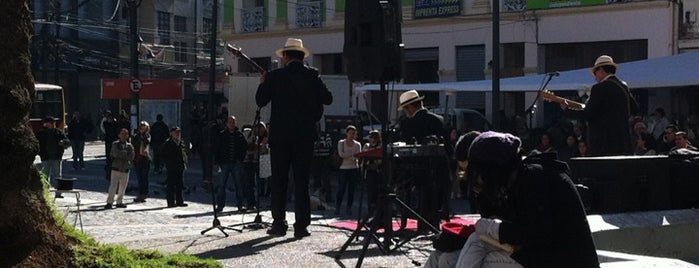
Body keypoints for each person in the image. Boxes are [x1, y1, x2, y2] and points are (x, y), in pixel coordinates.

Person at [454, 131, 599, 268]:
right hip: (544, 255)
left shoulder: (536, 178)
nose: (475, 178)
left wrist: (494, 228)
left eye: (477, 172)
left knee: (481, 250)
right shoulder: (519, 177)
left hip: (566, 261)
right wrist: (483, 195)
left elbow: (537, 234)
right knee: (446, 258)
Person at [256, 37, 333, 238]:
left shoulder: (275, 76)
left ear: (286, 56)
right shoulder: (313, 75)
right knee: (302, 182)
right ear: (301, 56)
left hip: (280, 137)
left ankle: (279, 224)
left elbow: (260, 100)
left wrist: (263, 83)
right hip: (305, 137)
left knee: (279, 182)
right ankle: (301, 226)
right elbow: (328, 98)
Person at [559, 55, 637, 156]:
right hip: (623, 142)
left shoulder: (599, 88)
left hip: (604, 144)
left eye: (595, 74)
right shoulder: (623, 87)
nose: (595, 78)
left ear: (600, 70)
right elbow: (635, 108)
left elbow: (588, 113)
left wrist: (567, 110)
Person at [396, 89, 448, 230]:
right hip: (439, 169)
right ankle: (433, 221)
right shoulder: (439, 119)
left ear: (410, 107)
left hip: (416, 169)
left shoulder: (408, 123)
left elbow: (405, 146)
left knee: (399, 186)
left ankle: (410, 217)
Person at [213, 116, 248, 212]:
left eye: (233, 122)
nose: (231, 124)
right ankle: (220, 205)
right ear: (227, 123)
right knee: (222, 185)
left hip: (235, 163)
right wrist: (216, 161)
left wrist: (240, 159)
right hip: (224, 163)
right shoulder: (222, 135)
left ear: (235, 123)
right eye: (229, 122)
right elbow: (217, 149)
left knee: (238, 185)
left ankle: (240, 205)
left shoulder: (239, 135)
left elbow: (244, 148)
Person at [35, 116, 70, 198]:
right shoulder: (41, 133)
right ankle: (45, 192)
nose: (53, 124)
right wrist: (40, 153)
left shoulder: (58, 132)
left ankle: (58, 192)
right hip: (45, 157)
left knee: (57, 175)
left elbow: (67, 141)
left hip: (56, 157)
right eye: (51, 123)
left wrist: (63, 142)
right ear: (46, 124)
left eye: (53, 123)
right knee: (45, 175)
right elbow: (37, 143)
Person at [104, 128, 135, 209]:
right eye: (122, 134)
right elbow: (115, 153)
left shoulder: (130, 146)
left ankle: (119, 201)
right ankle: (109, 202)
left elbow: (131, 156)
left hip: (125, 169)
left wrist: (123, 155)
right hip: (116, 168)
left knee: (123, 187)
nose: (124, 136)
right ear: (119, 135)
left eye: (126, 134)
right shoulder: (115, 144)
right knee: (113, 186)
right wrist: (124, 154)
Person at [335, 125, 362, 216]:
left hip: (353, 169)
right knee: (341, 189)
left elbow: (358, 156)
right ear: (346, 133)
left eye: (353, 133)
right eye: (350, 133)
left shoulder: (358, 144)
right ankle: (337, 207)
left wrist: (350, 156)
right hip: (343, 168)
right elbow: (341, 154)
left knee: (352, 190)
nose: (351, 135)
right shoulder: (341, 143)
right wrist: (352, 156)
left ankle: (349, 208)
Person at [242, 121, 269, 210]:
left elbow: (265, 150)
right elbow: (248, 147)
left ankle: (257, 201)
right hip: (249, 161)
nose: (261, 132)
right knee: (250, 183)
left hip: (261, 161)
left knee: (260, 182)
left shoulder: (265, 137)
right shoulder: (249, 134)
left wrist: (263, 147)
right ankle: (250, 202)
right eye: (260, 130)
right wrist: (257, 148)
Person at [161, 127, 189, 207]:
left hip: (180, 166)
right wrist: (167, 164)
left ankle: (180, 201)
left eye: (179, 132)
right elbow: (163, 155)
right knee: (171, 185)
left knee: (180, 184)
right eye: (176, 132)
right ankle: (171, 202)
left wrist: (185, 162)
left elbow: (183, 153)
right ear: (171, 133)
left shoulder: (181, 142)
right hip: (171, 166)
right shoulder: (168, 143)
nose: (178, 134)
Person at [132, 121, 152, 203]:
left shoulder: (147, 136)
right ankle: (141, 193)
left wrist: (143, 136)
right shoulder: (136, 136)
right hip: (137, 159)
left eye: (145, 128)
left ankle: (144, 194)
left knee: (144, 178)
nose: (143, 129)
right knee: (139, 178)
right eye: (141, 127)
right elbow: (134, 144)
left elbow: (147, 142)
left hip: (145, 159)